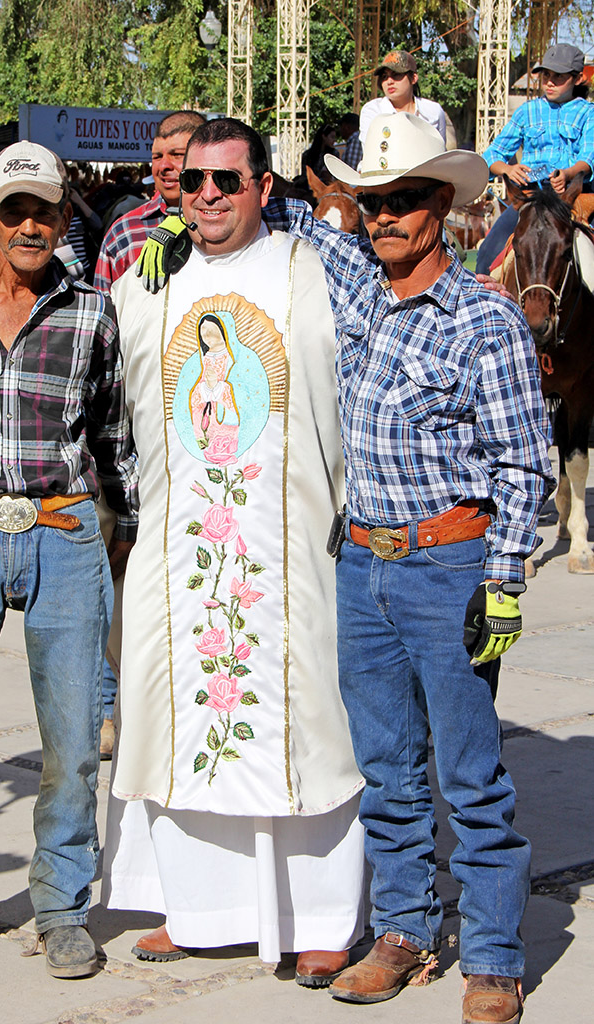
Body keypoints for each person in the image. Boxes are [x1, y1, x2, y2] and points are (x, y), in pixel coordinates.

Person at [252, 112, 554, 1021]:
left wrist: (502, 581)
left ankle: (494, 956)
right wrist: (182, 213)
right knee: (386, 766)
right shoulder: (356, 287)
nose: (381, 216)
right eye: (371, 200)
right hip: (364, 563)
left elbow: (524, 464)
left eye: (402, 200)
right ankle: (404, 933)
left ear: (440, 208)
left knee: (469, 772)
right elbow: (281, 219)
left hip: (447, 562)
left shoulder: (485, 321)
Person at [103, 117, 366, 986]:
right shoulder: (149, 283)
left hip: (288, 541)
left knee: (307, 724)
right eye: (192, 184)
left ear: (263, 187)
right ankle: (198, 909)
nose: (207, 195)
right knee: (178, 718)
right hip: (180, 542)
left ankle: (323, 914)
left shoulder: (311, 271)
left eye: (227, 180)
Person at [0, 140, 139, 979]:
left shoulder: (92, 311)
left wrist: (123, 532)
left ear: (61, 216)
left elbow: (114, 438)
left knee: (74, 737)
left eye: (45, 209)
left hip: (66, 531)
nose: (32, 224)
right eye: (15, 211)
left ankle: (62, 907)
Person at [477, 43, 594, 275]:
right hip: (531, 199)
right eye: (546, 75)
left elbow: (588, 159)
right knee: (486, 256)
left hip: (574, 199)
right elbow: (492, 155)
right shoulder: (526, 111)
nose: (550, 82)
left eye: (558, 77)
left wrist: (568, 174)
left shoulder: (588, 112)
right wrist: (507, 171)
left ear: (578, 78)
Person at [93, 111, 206, 292]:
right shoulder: (124, 232)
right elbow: (103, 312)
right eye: (157, 157)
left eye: (177, 155)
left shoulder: (236, 220)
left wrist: (187, 219)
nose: (163, 166)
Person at [360, 51, 446, 147]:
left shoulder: (433, 111)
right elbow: (370, 153)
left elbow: (440, 152)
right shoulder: (373, 111)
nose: (389, 81)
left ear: (413, 78)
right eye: (384, 77)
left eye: (396, 74)